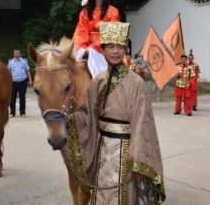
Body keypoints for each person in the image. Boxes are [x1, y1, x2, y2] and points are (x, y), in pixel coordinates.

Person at [67, 22, 166, 203]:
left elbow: (142, 123)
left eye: (120, 47)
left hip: (127, 150)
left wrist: (137, 161)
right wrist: (70, 120)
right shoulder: (98, 80)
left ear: (126, 50)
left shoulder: (136, 83)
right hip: (102, 148)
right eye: (110, 46)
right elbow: (87, 115)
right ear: (102, 50)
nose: (115, 51)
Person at [72, 0, 120, 78]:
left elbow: (111, 34)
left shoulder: (112, 11)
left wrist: (93, 48)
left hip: (105, 49)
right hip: (86, 50)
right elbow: (80, 32)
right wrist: (83, 48)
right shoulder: (84, 13)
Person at [7, 48, 33, 117]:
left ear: (20, 53)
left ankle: (22, 113)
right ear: (13, 54)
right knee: (12, 98)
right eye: (16, 53)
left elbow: (27, 70)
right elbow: (8, 72)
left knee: (22, 97)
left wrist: (30, 80)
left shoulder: (24, 61)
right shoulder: (10, 62)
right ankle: (12, 112)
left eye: (18, 53)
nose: (17, 54)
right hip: (13, 82)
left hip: (22, 81)